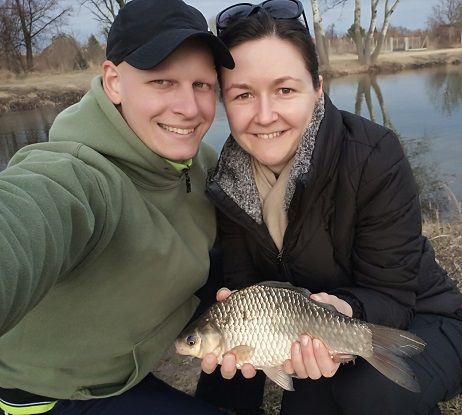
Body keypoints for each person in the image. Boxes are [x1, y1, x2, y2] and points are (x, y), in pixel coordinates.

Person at [194, 1, 462, 414]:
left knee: (371, 393)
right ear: (224, 102)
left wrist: (341, 311)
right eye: (243, 94)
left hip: (424, 317)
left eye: (285, 89)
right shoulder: (227, 182)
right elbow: (245, 279)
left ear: (317, 88)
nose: (265, 116)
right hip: (314, 332)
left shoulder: (374, 155)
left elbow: (393, 294)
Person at [0, 0, 235, 414]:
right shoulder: (77, 175)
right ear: (113, 82)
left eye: (202, 85)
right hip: (54, 394)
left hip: (129, 366)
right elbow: (24, 221)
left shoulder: (202, 164)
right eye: (162, 82)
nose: (190, 108)